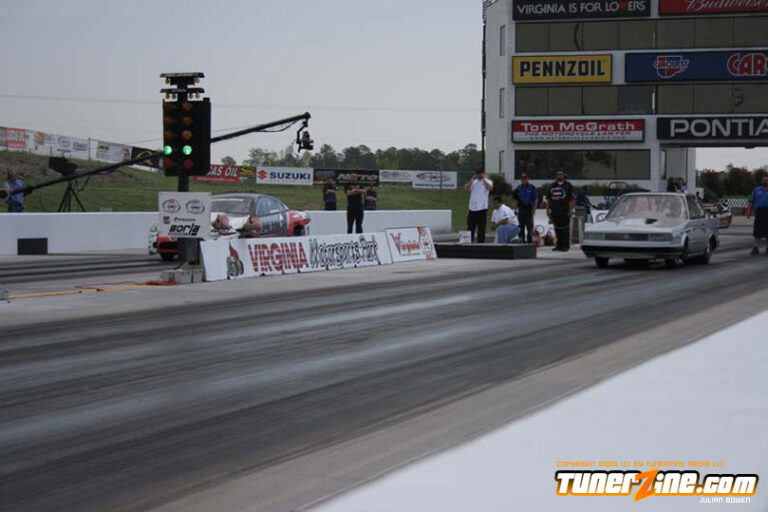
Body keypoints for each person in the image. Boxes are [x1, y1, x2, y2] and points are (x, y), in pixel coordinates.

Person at [546, 169, 574, 252]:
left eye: (561, 174)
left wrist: (571, 209)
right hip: (555, 210)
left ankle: (565, 245)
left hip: (565, 210)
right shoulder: (552, 186)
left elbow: (571, 199)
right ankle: (559, 245)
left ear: (563, 175)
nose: (559, 176)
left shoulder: (568, 185)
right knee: (557, 229)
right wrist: (547, 210)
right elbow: (548, 199)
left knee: (565, 229)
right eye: (558, 174)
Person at [464, 169, 493, 243]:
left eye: (480, 174)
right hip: (472, 208)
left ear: (483, 174)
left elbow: (489, 188)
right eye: (478, 174)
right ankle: (469, 241)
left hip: (482, 208)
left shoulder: (488, 181)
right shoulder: (474, 182)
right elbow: (467, 189)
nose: (479, 175)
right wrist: (472, 179)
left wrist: (483, 179)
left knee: (481, 227)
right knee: (470, 226)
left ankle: (481, 242)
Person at [512, 173, 538, 243]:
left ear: (528, 179)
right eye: (522, 179)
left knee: (530, 227)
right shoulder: (518, 188)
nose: (524, 180)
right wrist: (515, 209)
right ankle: (522, 241)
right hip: (521, 209)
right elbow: (515, 199)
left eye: (525, 179)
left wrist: (534, 209)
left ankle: (529, 242)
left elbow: (536, 199)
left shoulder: (532, 187)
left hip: (529, 209)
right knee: (521, 226)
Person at [747, 175, 768, 256]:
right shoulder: (756, 190)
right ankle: (755, 248)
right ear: (761, 181)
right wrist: (748, 211)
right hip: (759, 213)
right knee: (757, 231)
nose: (765, 181)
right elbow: (751, 201)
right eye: (764, 180)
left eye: (766, 180)